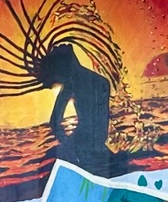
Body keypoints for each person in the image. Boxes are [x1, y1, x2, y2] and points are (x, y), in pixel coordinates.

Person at [35, 43, 113, 175]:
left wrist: (66, 143)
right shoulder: (102, 82)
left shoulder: (72, 85)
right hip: (92, 147)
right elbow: (102, 120)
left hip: (84, 147)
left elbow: (54, 120)